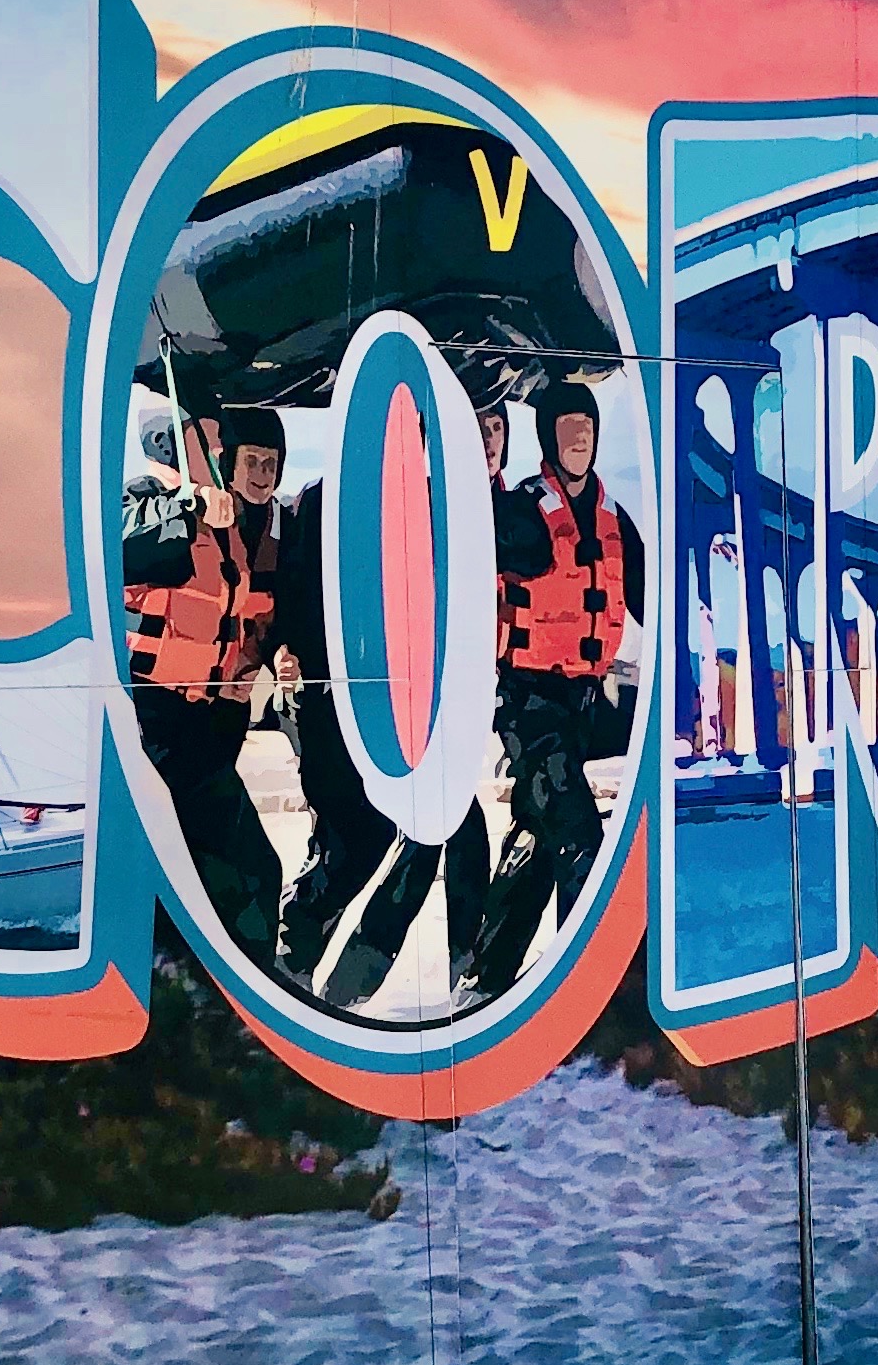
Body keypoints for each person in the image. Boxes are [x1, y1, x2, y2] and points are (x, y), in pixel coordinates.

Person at [323, 396, 509, 1009]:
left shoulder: (511, 508)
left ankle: (375, 978)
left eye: (495, 430)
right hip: (421, 707)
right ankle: (373, 979)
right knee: (439, 834)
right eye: (474, 430)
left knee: (454, 833)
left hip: (476, 703)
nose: (485, 441)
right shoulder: (430, 504)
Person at [470, 376, 641, 1000]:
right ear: (547, 438)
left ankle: (483, 976)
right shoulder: (520, 511)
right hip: (530, 702)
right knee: (579, 837)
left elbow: (649, 593)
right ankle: (586, 995)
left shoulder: (615, 520)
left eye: (587, 429)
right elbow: (477, 538)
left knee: (542, 831)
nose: (580, 439)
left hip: (585, 700)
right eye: (568, 428)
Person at [121, 404, 287, 955]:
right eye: (209, 448)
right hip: (156, 729)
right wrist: (186, 507)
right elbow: (127, 545)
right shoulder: (142, 502)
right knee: (230, 876)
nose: (219, 458)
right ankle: (206, 1000)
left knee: (254, 874)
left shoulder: (233, 532)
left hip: (208, 733)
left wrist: (255, 663)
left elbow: (249, 616)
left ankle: (244, 996)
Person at [267, 455, 398, 989]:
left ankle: (297, 957)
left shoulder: (408, 502)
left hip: (380, 702)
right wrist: (283, 656)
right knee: (346, 836)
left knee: (369, 833)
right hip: (321, 696)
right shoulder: (314, 501)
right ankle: (291, 958)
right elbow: (286, 591)